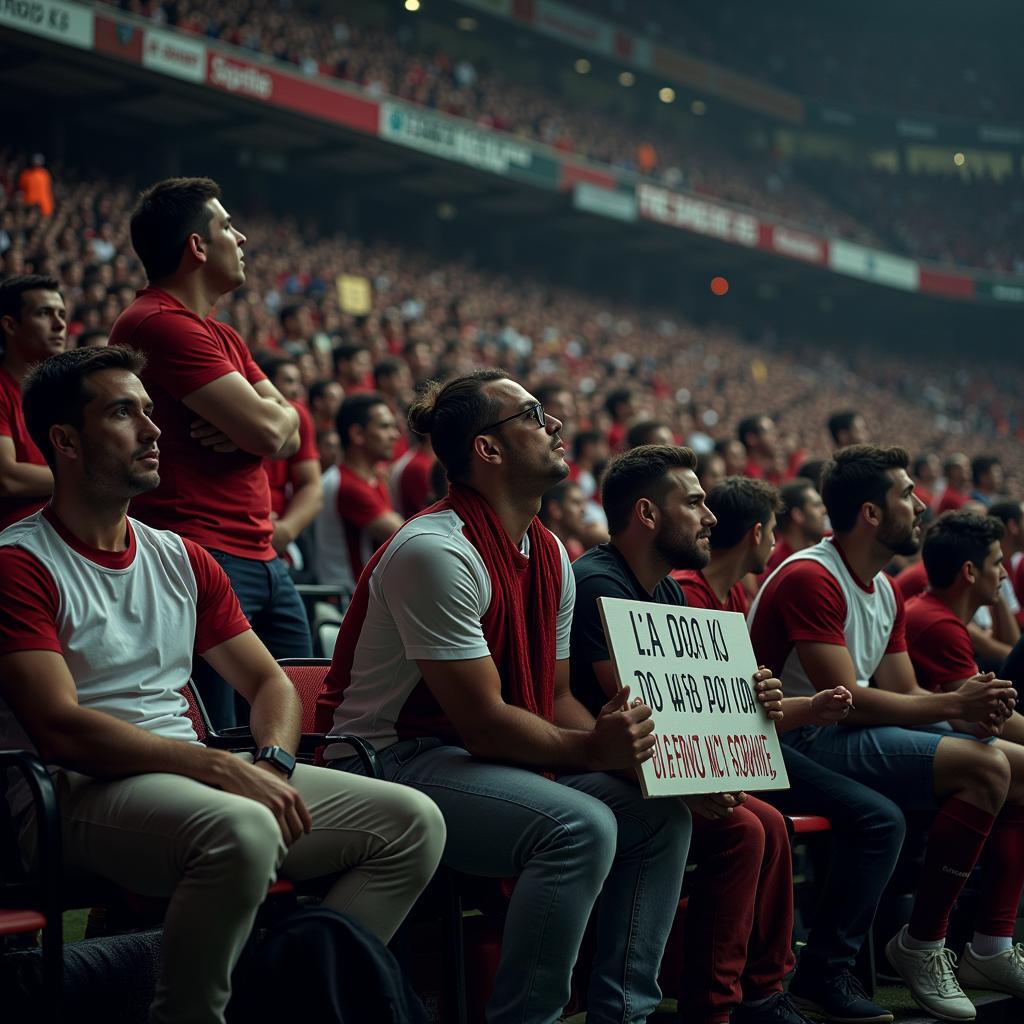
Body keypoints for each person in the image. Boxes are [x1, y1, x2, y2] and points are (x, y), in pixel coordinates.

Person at [0, 347, 445, 1024]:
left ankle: (282, 999)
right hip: (64, 789)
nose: (153, 430)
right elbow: (60, 727)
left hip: (188, 774)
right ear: (63, 440)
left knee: (412, 823)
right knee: (241, 829)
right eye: (124, 413)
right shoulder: (20, 563)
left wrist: (268, 761)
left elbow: (271, 683)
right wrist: (219, 768)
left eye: (150, 411)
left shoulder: (180, 556)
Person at [316, 370, 692, 1024]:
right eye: (533, 414)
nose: (554, 424)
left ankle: (623, 1015)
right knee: (581, 824)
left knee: (660, 814)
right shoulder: (436, 551)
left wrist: (641, 758)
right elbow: (486, 724)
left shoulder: (547, 550)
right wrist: (593, 747)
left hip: (467, 760)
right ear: (487, 450)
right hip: (386, 760)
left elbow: (553, 699)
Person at [570, 445, 854, 1024]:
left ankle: (763, 993)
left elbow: (707, 709)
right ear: (648, 515)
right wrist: (695, 775)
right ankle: (714, 1009)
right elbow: (644, 705)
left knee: (768, 821)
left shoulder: (670, 590)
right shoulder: (599, 582)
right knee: (746, 830)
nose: (711, 517)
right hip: (600, 768)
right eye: (695, 502)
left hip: (649, 763)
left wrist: (767, 703)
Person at [748, 444, 1024, 1020]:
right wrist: (954, 704)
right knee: (988, 765)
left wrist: (968, 711)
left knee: (1009, 764)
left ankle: (988, 942)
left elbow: (907, 695)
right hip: (793, 738)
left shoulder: (886, 587)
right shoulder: (811, 575)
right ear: (872, 513)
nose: (921, 505)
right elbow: (846, 700)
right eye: (906, 494)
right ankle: (923, 944)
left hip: (837, 735)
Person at [674, 469, 899, 1023]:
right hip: (723, 759)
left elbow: (743, 708)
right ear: (757, 533)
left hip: (754, 744)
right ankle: (794, 981)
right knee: (861, 820)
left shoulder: (726, 600)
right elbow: (703, 714)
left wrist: (805, 707)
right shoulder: (687, 594)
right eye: (773, 529)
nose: (776, 541)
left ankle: (779, 982)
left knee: (862, 817)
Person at [108, 177, 311, 729]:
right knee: (221, 733)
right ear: (197, 246)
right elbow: (272, 437)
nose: (241, 238)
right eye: (226, 226)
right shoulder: (159, 323)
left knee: (305, 724)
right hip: (203, 553)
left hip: (262, 555)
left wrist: (265, 423)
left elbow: (287, 431)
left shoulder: (222, 334)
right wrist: (263, 427)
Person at [0, 275, 65, 530]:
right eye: (44, 313)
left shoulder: (66, 391)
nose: (59, 324)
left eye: (62, 313)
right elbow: (7, 478)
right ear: (10, 325)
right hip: (15, 539)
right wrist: (91, 476)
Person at [258, 355, 322, 567]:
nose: (297, 391)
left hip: (281, 538)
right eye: (289, 381)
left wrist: (285, 531)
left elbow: (311, 486)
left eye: (299, 382)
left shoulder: (299, 415)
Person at [335, 392, 404, 580]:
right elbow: (405, 536)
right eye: (384, 427)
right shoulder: (349, 486)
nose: (395, 435)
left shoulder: (375, 476)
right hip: (345, 598)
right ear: (357, 434)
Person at [762, 479, 828, 578]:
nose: (824, 510)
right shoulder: (780, 568)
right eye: (816, 505)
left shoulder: (827, 546)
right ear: (798, 515)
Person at [538, 478, 588, 561]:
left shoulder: (574, 551)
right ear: (555, 509)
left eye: (583, 503)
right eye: (576, 503)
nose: (584, 510)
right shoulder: (537, 551)